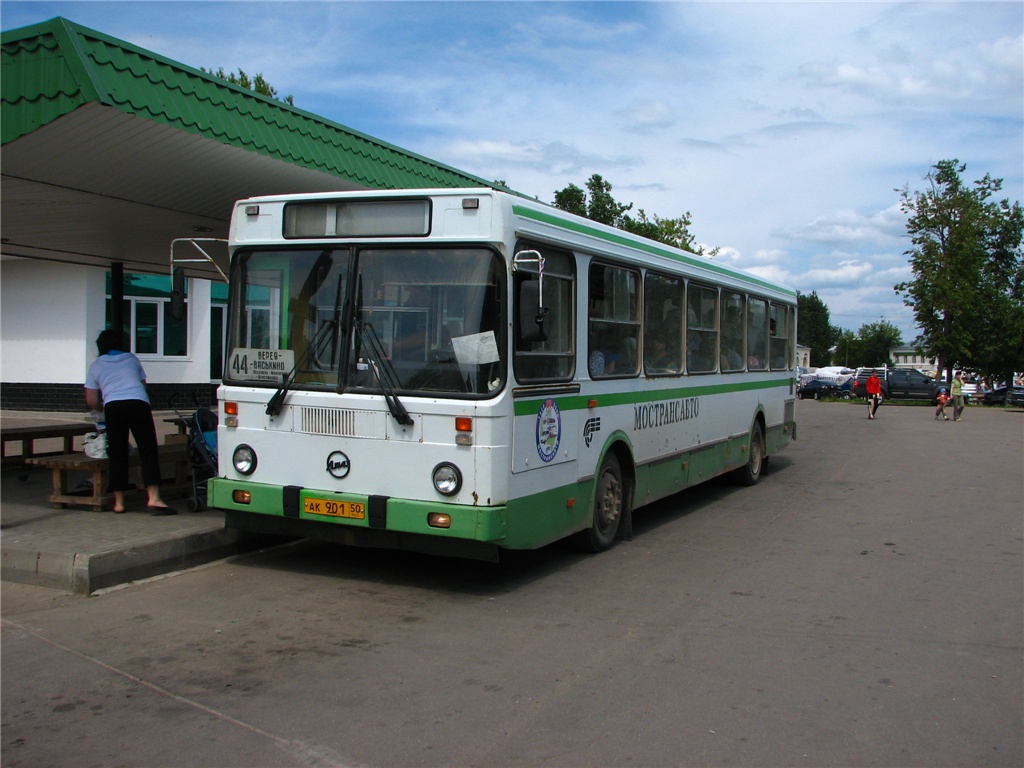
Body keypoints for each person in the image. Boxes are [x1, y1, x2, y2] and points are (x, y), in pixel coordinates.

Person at [84, 330, 176, 515]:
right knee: (147, 449)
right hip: (138, 403)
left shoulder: (96, 365)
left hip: (113, 407)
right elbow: (143, 385)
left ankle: (119, 502)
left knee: (118, 453)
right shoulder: (132, 359)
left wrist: (103, 406)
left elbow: (91, 400)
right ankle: (154, 498)